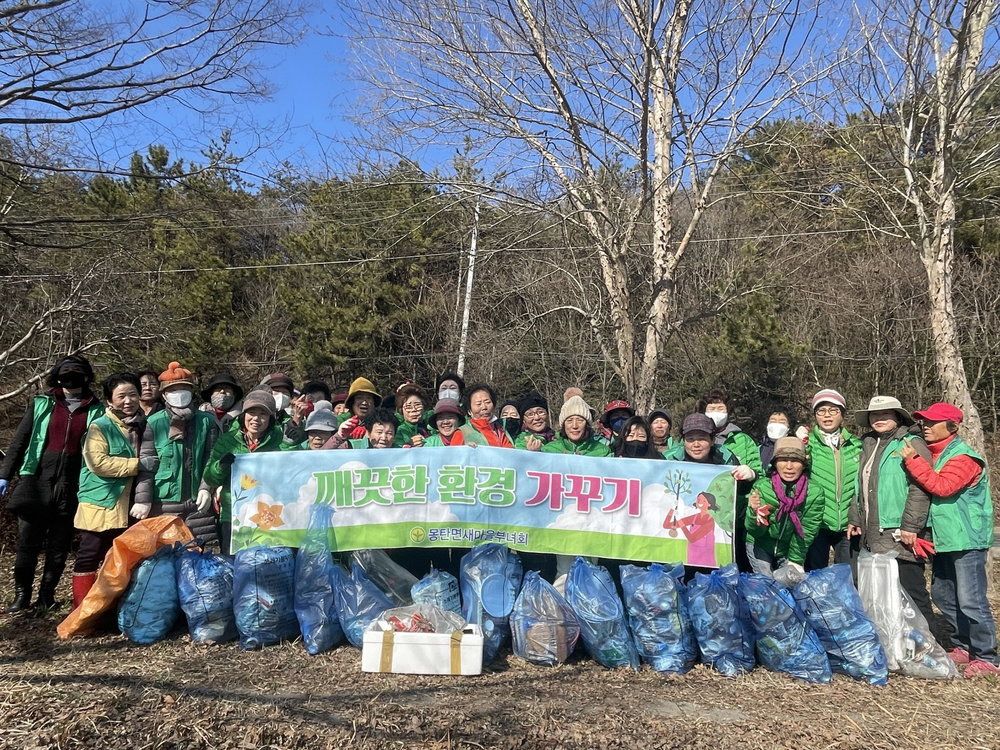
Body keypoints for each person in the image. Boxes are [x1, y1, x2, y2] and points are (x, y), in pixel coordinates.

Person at [0, 355, 104, 613]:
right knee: (28, 544)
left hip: (73, 484)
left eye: (77, 373)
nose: (71, 377)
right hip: (36, 481)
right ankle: (21, 595)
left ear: (87, 377)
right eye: (66, 373)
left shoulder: (96, 409)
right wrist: (5, 474)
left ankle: (46, 596)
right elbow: (20, 441)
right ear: (57, 376)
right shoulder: (42, 404)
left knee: (59, 546)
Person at [901, 402, 998, 677]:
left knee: (971, 599)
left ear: (952, 426)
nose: (926, 427)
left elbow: (943, 487)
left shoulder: (964, 457)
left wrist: (912, 461)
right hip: (945, 539)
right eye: (924, 422)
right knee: (943, 594)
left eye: (933, 422)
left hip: (967, 539)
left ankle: (987, 656)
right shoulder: (936, 454)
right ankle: (962, 645)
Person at [847, 395, 935, 626]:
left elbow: (921, 487)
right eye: (875, 414)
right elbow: (861, 485)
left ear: (897, 417)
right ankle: (894, 642)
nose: (879, 418)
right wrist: (855, 517)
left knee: (912, 589)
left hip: (901, 532)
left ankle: (929, 645)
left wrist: (911, 526)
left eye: (886, 414)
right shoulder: (868, 444)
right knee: (884, 593)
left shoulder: (911, 443)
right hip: (873, 531)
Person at [71, 373, 156, 608]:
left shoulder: (143, 425)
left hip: (129, 502)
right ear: (109, 401)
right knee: (90, 555)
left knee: (120, 558)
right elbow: (97, 462)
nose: (128, 401)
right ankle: (82, 610)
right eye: (121, 396)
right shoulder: (100, 426)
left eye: (132, 395)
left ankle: (110, 609)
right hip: (101, 501)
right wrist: (137, 465)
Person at [133, 362, 219, 544]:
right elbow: (147, 464)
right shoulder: (154, 423)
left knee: (203, 552)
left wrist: (206, 487)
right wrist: (143, 499)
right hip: (163, 501)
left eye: (184, 390)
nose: (179, 395)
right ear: (164, 395)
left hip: (198, 503)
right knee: (165, 556)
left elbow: (212, 459)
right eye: (173, 391)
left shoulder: (206, 422)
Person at [199, 388, 285, 552]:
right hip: (234, 515)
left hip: (270, 516)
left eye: (263, 414)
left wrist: (293, 443)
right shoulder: (227, 440)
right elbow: (210, 478)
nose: (256, 419)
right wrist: (221, 466)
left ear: (270, 418)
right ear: (243, 414)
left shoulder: (279, 442)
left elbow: (294, 470)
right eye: (251, 412)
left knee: (265, 565)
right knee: (234, 567)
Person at [745, 437, 825, 577]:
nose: (789, 466)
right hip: (761, 544)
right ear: (774, 463)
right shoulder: (762, 487)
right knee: (767, 583)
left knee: (791, 583)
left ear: (804, 465)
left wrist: (795, 560)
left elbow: (807, 530)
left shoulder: (814, 493)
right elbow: (756, 532)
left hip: (789, 547)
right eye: (782, 460)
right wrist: (754, 513)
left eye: (795, 461)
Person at [801, 389, 861, 571]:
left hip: (848, 524)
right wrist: (800, 446)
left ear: (842, 415)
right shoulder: (806, 443)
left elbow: (863, 485)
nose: (827, 415)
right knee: (815, 576)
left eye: (833, 410)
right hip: (816, 522)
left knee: (848, 576)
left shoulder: (857, 446)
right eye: (821, 411)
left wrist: (857, 515)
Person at [699, 388, 762, 478]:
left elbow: (759, 474)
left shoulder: (743, 441)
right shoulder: (692, 439)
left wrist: (752, 474)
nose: (716, 413)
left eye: (720, 409)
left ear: (728, 412)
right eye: (711, 409)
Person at [542, 396, 611, 456]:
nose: (574, 426)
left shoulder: (603, 452)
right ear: (563, 425)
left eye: (580, 420)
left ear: (587, 425)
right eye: (569, 420)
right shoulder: (548, 451)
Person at [663, 492, 719, 568]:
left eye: (704, 501)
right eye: (698, 499)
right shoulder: (694, 517)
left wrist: (682, 525)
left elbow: (692, 539)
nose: (699, 502)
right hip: (692, 558)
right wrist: (672, 510)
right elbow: (666, 525)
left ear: (709, 504)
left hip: (706, 561)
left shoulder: (710, 521)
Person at [324, 408, 398, 449]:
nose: (384, 438)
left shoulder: (399, 451)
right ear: (368, 433)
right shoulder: (352, 446)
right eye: (379, 432)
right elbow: (322, 457)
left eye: (389, 433)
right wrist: (339, 436)